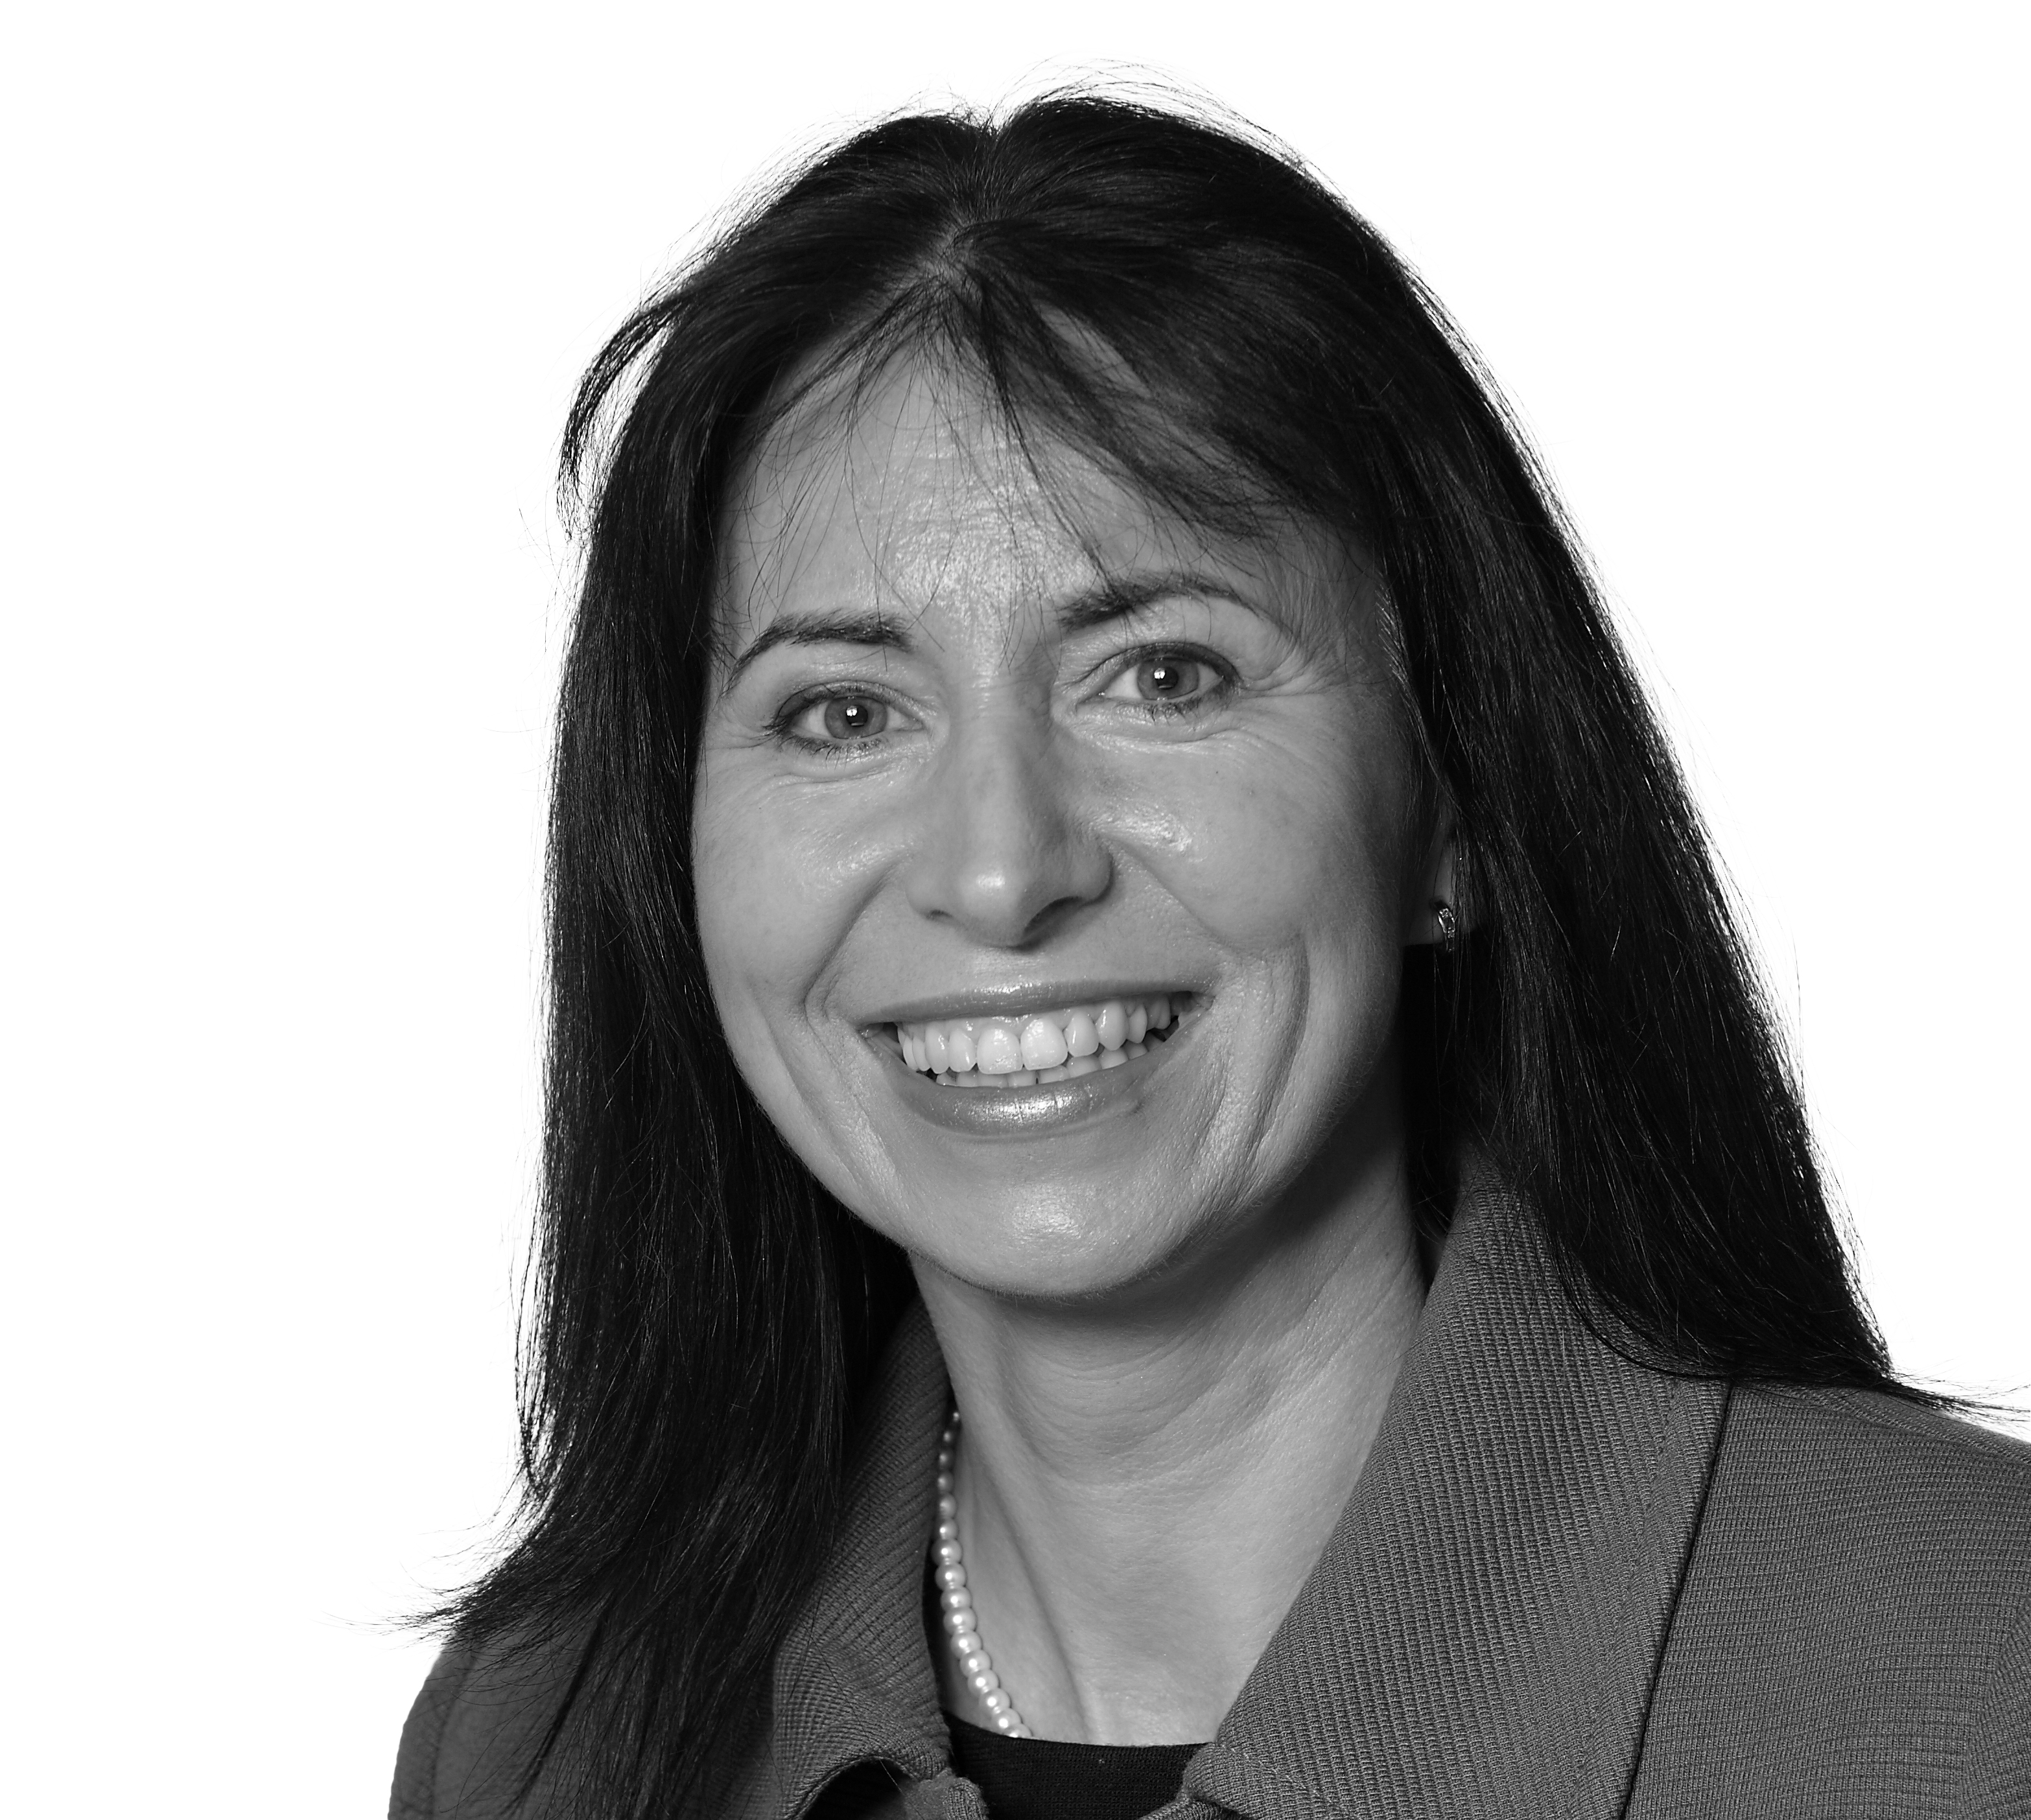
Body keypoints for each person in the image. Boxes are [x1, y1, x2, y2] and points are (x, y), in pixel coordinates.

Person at [392, 93, 2031, 1820]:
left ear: (1453, 808)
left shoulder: (1977, 1681)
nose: (1001, 872)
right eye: (844, 713)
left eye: (1165, 678)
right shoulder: (542, 1736)